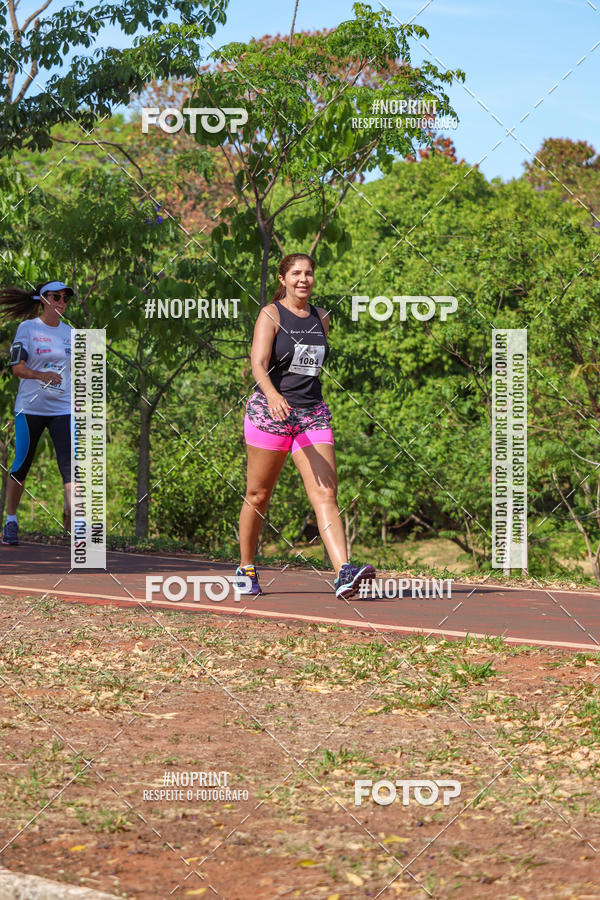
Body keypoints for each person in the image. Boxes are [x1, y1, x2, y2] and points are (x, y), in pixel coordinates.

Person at [234, 253, 375, 599]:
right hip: (272, 414)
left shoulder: (321, 318)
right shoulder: (271, 314)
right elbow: (258, 362)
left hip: (312, 413)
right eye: (296, 273)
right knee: (258, 495)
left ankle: (343, 571)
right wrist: (271, 395)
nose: (303, 279)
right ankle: (246, 566)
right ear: (282, 279)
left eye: (309, 273)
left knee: (326, 493)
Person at [0, 280, 73, 545]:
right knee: (22, 463)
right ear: (43, 299)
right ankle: (11, 521)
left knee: (70, 467)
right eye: (56, 297)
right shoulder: (28, 328)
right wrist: (42, 375)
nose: (61, 302)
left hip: (62, 409)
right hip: (30, 407)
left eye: (65, 298)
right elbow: (17, 369)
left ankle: (76, 523)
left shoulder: (70, 333)